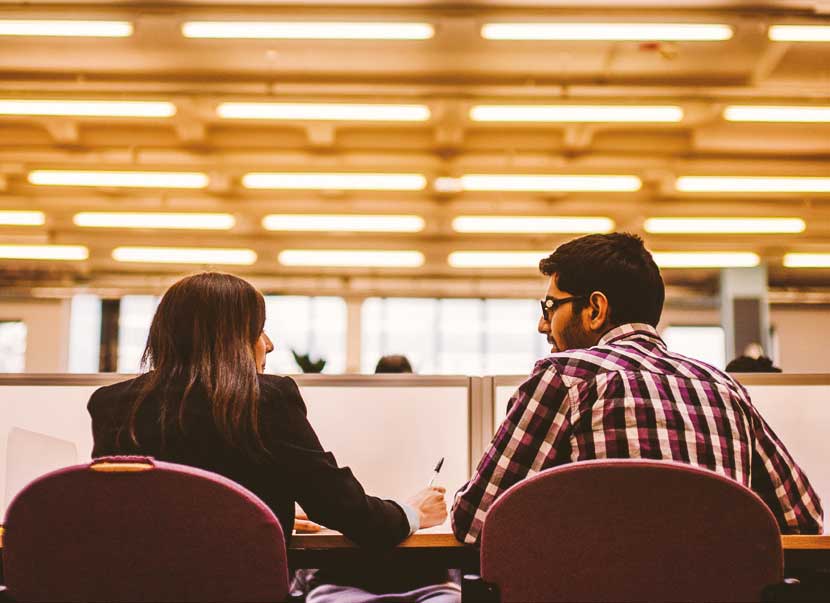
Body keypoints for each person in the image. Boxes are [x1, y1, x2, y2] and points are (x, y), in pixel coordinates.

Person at [452, 233, 823, 545]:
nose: (541, 324)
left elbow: (475, 522)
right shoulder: (724, 387)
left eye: (550, 307)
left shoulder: (567, 378)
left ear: (595, 309)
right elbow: (803, 517)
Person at [88, 272, 447, 551]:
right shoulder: (265, 399)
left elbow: (146, 516)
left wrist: (265, 516)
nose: (269, 344)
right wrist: (411, 512)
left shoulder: (111, 404)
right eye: (258, 330)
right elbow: (349, 514)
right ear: (230, 340)